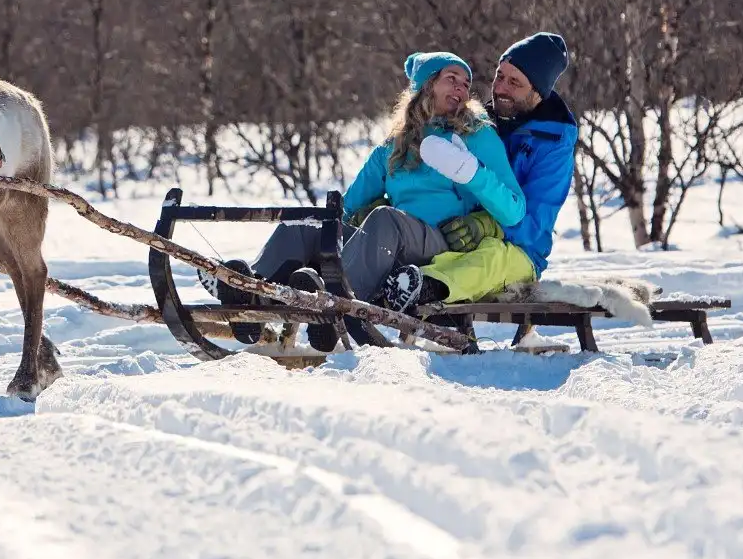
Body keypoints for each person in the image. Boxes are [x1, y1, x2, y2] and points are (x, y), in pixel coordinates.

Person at [225, 51, 526, 349]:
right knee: (305, 226)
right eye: (451, 79)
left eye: (465, 82)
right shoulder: (396, 144)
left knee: (385, 219)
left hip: (441, 244)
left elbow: (514, 210)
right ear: (426, 86)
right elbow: (348, 205)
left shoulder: (476, 135)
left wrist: (471, 173)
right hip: (390, 241)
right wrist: (342, 224)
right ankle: (253, 297)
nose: (462, 87)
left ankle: (336, 310)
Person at [485, 32, 578, 281]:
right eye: (499, 76)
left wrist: (484, 225)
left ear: (537, 92)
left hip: (516, 254)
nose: (500, 88)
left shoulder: (554, 143)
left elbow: (534, 227)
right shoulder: (477, 124)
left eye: (514, 82)